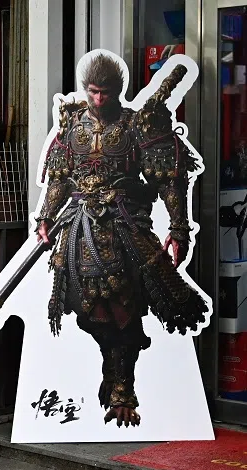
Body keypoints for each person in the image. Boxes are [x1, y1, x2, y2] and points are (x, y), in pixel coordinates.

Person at [35, 53, 207, 427]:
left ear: (119, 91)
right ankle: (109, 369)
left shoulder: (134, 126)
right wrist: (45, 217)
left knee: (125, 308)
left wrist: (179, 229)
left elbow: (167, 179)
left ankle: (123, 388)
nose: (99, 100)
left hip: (125, 227)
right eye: (94, 92)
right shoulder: (72, 126)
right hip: (79, 230)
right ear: (86, 90)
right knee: (87, 309)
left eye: (107, 93)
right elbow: (60, 178)